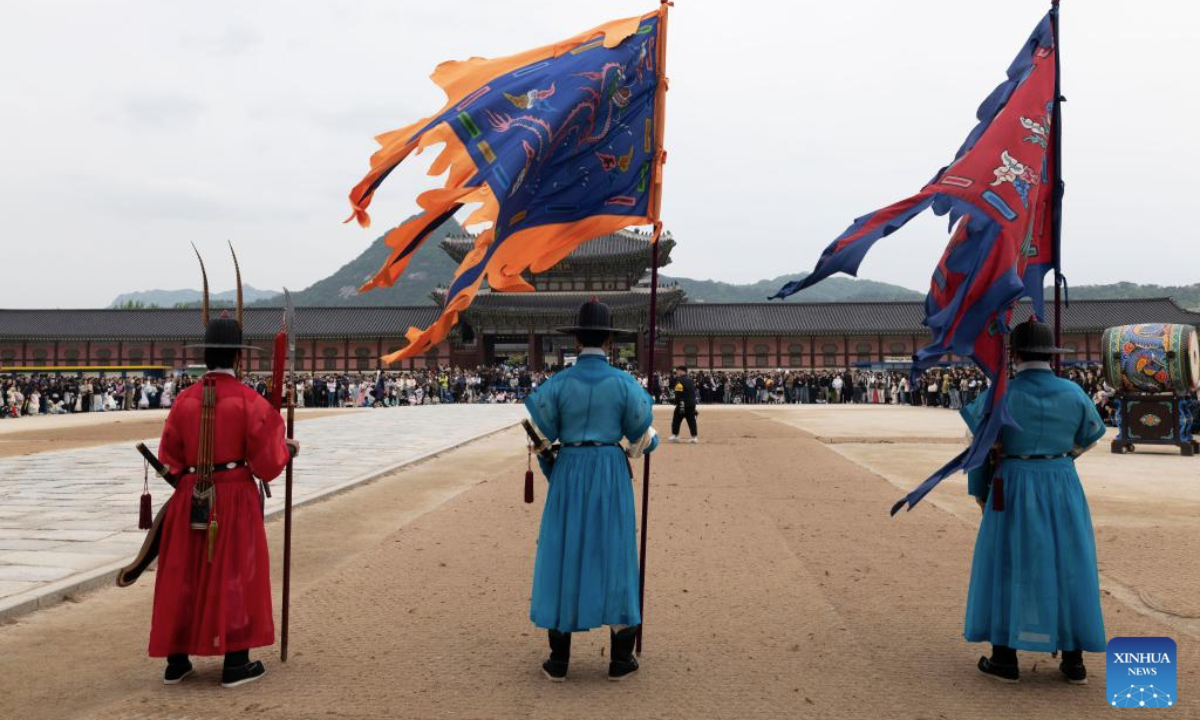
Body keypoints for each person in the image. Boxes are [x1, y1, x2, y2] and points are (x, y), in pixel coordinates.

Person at [149, 313, 299, 688]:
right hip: (234, 494)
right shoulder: (248, 401)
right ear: (237, 357)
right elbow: (266, 463)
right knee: (236, 570)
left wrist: (191, 484)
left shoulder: (184, 400)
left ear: (205, 356)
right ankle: (235, 661)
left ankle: (176, 660)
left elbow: (168, 458)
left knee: (184, 570)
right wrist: (287, 450)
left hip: (190, 494)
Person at [965, 318, 1107, 685]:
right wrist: (1061, 458)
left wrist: (980, 491)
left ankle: (1004, 657)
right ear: (1049, 354)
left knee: (1008, 562)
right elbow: (1092, 433)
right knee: (1068, 560)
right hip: (1061, 483)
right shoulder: (1073, 392)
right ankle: (1073, 659)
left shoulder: (1001, 395)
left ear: (1016, 355)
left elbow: (978, 451)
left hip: (1011, 483)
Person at [523, 299, 659, 682]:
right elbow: (640, 436)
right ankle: (620, 659)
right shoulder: (623, 383)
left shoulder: (558, 384)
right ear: (610, 342)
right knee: (613, 550)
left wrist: (555, 463)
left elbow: (540, 436)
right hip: (609, 470)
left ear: (578, 340)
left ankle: (558, 659)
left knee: (564, 548)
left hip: (569, 470)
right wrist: (653, 442)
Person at [668, 365, 699, 443]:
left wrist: (675, 401)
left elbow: (678, 393)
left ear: (682, 371)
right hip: (691, 403)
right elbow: (692, 393)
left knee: (676, 420)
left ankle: (675, 435)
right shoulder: (690, 380)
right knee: (691, 420)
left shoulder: (679, 380)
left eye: (677, 371)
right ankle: (694, 437)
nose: (676, 373)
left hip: (682, 403)